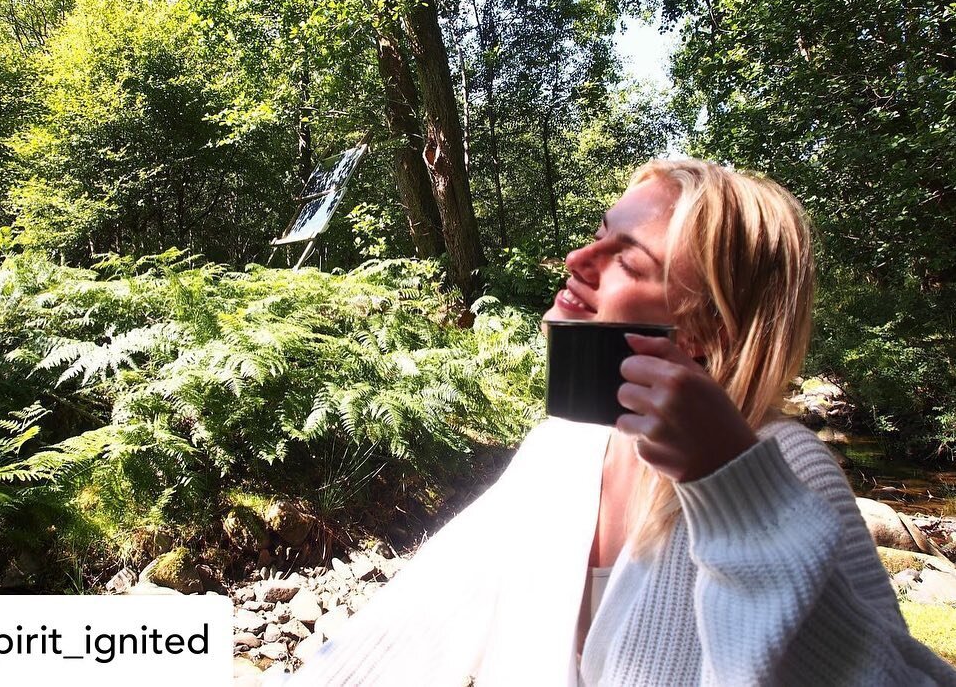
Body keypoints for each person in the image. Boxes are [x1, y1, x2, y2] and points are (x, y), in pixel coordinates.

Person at [286, 158, 956, 686]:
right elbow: (416, 619)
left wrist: (734, 487)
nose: (578, 261)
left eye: (626, 258)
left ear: (703, 329)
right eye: (600, 233)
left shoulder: (785, 465)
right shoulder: (568, 446)